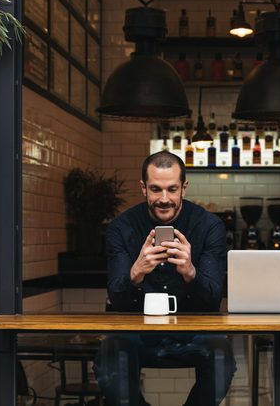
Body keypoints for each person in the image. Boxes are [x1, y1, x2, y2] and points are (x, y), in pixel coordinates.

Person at [94, 151, 236, 406]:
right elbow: (117, 299)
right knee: (109, 354)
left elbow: (213, 299)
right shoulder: (121, 227)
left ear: (184, 187)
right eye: (155, 189)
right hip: (137, 334)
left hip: (195, 335)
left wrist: (190, 273)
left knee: (221, 355)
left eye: (172, 189)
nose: (164, 199)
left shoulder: (209, 225)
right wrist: (136, 272)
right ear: (143, 189)